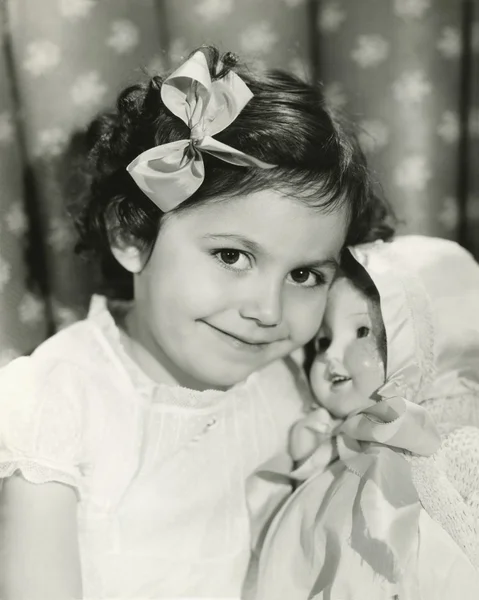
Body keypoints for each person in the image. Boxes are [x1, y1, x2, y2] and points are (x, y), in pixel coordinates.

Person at [0, 46, 393, 599]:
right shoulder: (56, 402)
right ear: (131, 237)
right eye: (232, 256)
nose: (269, 311)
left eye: (304, 275)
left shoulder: (290, 382)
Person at [254, 235, 479, 599]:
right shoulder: (334, 445)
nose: (329, 356)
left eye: (362, 332)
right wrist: (307, 458)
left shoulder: (452, 445)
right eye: (323, 341)